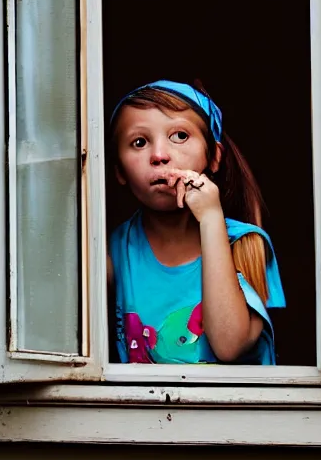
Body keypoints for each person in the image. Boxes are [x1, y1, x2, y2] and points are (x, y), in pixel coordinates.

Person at [107, 80, 285, 365]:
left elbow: (229, 345)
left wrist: (211, 217)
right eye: (139, 142)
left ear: (214, 157)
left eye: (179, 136)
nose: (159, 155)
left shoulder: (247, 243)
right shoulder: (111, 249)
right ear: (119, 171)